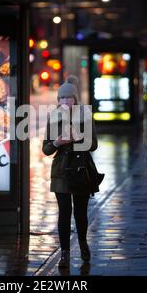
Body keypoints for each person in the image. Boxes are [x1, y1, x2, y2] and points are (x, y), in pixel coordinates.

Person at [42, 76, 98, 268]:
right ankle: (64, 252)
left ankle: (82, 242)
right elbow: (46, 149)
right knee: (64, 213)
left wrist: (78, 137)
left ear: (75, 99)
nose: (66, 102)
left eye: (69, 98)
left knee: (80, 213)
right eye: (62, 99)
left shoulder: (85, 116)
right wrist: (57, 142)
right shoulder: (53, 117)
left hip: (80, 170)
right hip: (61, 172)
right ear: (58, 100)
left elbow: (94, 145)